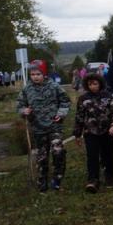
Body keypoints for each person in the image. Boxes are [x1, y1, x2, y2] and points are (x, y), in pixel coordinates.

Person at [16, 60, 69, 192]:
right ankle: (42, 180)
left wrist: (61, 113)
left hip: (54, 126)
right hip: (38, 128)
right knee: (42, 156)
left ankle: (57, 178)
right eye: (32, 74)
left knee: (58, 151)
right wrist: (24, 111)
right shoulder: (27, 89)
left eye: (38, 74)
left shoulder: (54, 86)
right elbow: (20, 105)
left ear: (44, 74)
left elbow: (65, 101)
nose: (35, 76)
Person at [74, 71, 113, 193]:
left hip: (107, 130)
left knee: (108, 155)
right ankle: (93, 180)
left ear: (100, 83)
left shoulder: (109, 96)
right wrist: (77, 134)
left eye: (95, 83)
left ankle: (109, 176)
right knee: (92, 156)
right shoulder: (83, 99)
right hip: (90, 132)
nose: (93, 86)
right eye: (90, 84)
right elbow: (79, 117)